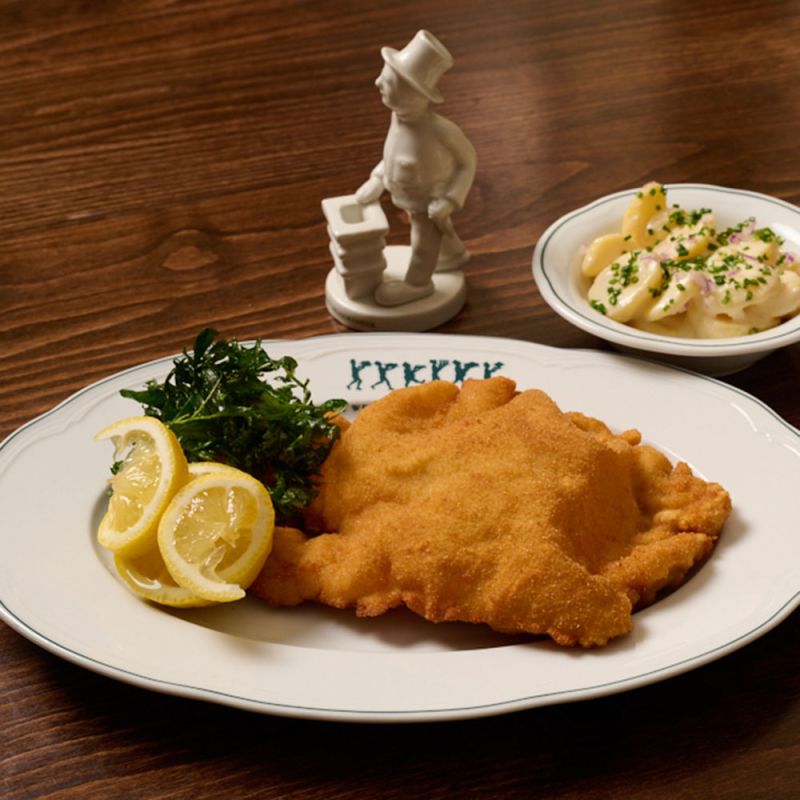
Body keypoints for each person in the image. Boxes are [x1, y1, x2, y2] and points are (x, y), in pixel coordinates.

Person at [355, 30, 477, 306]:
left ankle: (418, 284)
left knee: (423, 243)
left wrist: (449, 199)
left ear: (411, 93)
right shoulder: (398, 119)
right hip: (408, 195)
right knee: (433, 233)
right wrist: (378, 178)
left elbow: (467, 161)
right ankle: (449, 256)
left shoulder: (439, 130)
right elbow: (393, 154)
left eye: (386, 80)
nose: (377, 83)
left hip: (428, 202)